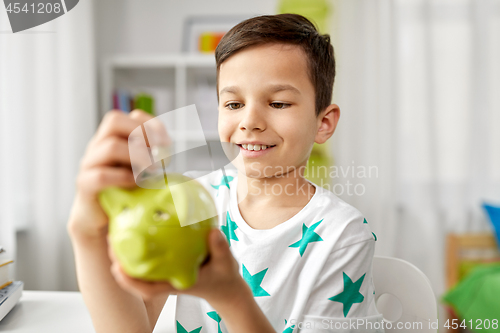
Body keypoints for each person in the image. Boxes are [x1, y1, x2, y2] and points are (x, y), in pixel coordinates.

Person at [68, 13, 384, 333]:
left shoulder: (343, 234)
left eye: (277, 103)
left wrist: (230, 296)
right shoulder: (190, 202)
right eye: (233, 104)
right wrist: (87, 234)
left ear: (323, 123)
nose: (250, 121)